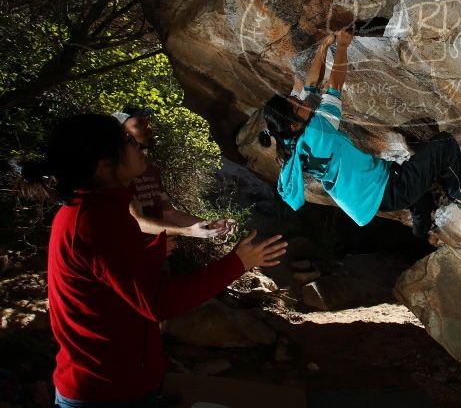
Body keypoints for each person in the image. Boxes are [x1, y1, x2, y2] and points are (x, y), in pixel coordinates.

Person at [18, 114, 288, 406]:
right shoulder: (94, 222)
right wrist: (237, 263)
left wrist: (156, 250)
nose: (138, 147)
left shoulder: (97, 210)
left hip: (118, 381)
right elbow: (156, 303)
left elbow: (112, 280)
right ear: (105, 166)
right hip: (106, 392)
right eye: (128, 142)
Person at [260, 30, 461, 239]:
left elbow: (310, 85)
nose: (300, 100)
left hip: (369, 193)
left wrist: (323, 48)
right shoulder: (319, 131)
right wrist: (342, 46)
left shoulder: (289, 140)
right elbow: (335, 87)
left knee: (420, 196)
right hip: (388, 189)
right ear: (293, 123)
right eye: (296, 105)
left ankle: (420, 231)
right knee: (443, 145)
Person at [111, 106, 235, 242]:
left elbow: (169, 212)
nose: (148, 127)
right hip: (134, 255)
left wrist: (210, 225)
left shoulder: (151, 171)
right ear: (123, 132)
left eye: (147, 122)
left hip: (157, 252)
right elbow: (137, 221)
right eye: (139, 123)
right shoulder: (118, 174)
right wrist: (187, 231)